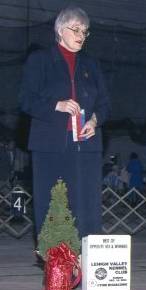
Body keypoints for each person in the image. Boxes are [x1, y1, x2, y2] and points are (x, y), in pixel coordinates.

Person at [19, 6, 110, 239]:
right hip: (50, 148)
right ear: (60, 29)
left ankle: (84, 269)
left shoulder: (92, 64)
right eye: (75, 29)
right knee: (53, 207)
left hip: (86, 148)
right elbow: (26, 100)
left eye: (85, 31)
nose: (81, 35)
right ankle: (57, 271)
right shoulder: (39, 60)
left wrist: (95, 120)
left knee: (86, 208)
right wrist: (55, 105)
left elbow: (105, 103)